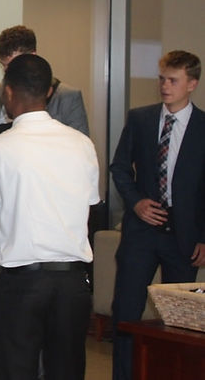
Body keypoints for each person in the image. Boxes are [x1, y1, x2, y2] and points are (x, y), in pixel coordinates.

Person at [0, 24, 89, 380]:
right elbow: (90, 199)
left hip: (31, 260)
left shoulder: (68, 104)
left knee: (23, 355)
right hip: (62, 269)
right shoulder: (80, 147)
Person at [109, 50, 205, 380]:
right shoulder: (141, 118)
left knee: (180, 317)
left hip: (184, 234)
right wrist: (135, 202)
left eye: (173, 80)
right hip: (142, 229)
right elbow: (120, 167)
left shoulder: (203, 127)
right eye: (162, 79)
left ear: (191, 84)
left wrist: (204, 237)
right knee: (125, 309)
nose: (165, 86)